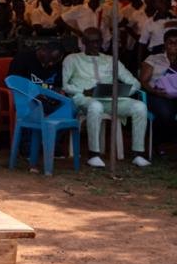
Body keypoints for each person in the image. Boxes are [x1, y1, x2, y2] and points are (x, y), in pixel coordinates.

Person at [62, 27, 150, 168]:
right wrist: (84, 91)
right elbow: (65, 85)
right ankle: (94, 154)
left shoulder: (110, 60)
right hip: (83, 98)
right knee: (96, 106)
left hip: (110, 99)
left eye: (97, 42)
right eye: (91, 42)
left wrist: (120, 92)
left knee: (140, 107)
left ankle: (138, 154)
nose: (95, 45)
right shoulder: (72, 59)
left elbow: (135, 83)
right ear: (83, 41)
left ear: (102, 41)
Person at [140, 28, 177, 145]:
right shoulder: (154, 59)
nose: (174, 45)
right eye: (170, 42)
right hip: (156, 94)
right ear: (165, 44)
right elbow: (144, 81)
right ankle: (159, 141)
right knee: (166, 113)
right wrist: (155, 92)